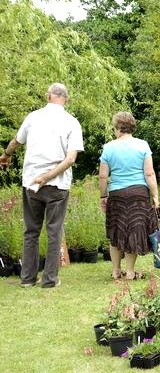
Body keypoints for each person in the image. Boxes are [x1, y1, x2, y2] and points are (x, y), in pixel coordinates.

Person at [0, 83, 84, 288]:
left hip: (31, 182)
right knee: (54, 231)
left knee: (31, 231)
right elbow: (71, 158)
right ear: (67, 99)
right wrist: (49, 176)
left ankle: (27, 279)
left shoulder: (33, 117)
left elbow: (16, 142)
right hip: (58, 184)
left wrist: (6, 155)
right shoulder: (72, 122)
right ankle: (50, 280)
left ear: (48, 96)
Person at [99, 112, 159, 280]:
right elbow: (149, 174)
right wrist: (155, 195)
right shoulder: (143, 145)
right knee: (133, 230)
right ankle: (130, 271)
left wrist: (103, 196)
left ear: (117, 127)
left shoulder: (108, 147)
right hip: (138, 194)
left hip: (117, 194)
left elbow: (103, 176)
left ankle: (116, 270)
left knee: (116, 231)